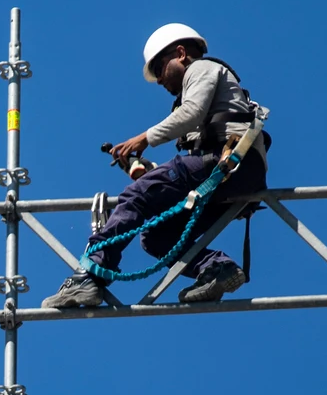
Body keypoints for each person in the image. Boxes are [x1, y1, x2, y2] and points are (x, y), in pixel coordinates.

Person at [42, 23, 270, 308]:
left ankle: (89, 276)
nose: (160, 80)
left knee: (135, 197)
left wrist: (143, 139)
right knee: (156, 238)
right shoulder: (210, 87)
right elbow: (191, 160)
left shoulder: (201, 68)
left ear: (181, 53)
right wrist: (152, 175)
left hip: (225, 162)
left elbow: (192, 113)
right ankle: (216, 268)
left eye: (159, 69)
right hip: (233, 173)